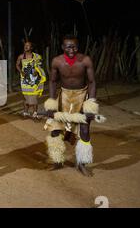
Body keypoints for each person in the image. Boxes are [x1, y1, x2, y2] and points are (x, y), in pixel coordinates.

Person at [43, 34, 99, 176]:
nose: (72, 49)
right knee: (56, 129)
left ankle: (81, 163)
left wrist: (91, 104)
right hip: (64, 97)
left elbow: (92, 82)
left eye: (74, 46)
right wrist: (51, 102)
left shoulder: (85, 60)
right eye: (68, 46)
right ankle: (57, 160)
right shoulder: (57, 61)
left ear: (78, 46)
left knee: (85, 131)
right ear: (63, 47)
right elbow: (53, 82)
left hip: (81, 96)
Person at [16, 41, 46, 118]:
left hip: (34, 80)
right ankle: (25, 112)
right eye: (25, 45)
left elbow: (40, 65)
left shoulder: (37, 57)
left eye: (28, 46)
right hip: (24, 80)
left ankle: (35, 113)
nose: (26, 47)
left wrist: (37, 71)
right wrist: (21, 71)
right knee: (26, 96)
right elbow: (17, 65)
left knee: (34, 96)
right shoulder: (21, 56)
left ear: (31, 48)